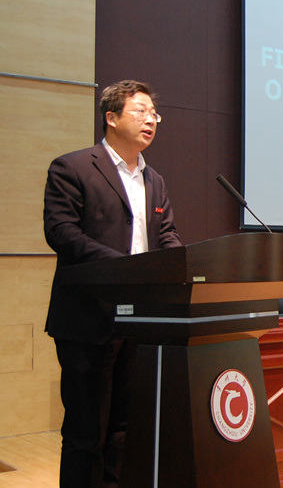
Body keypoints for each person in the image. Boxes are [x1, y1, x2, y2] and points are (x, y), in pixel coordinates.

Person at [43, 80, 182, 487]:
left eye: (154, 113)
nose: (150, 120)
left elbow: (167, 236)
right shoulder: (72, 167)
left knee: (124, 429)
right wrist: (125, 267)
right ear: (111, 117)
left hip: (140, 322)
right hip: (88, 319)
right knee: (86, 432)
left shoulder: (154, 180)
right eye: (140, 111)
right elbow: (62, 232)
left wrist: (182, 264)